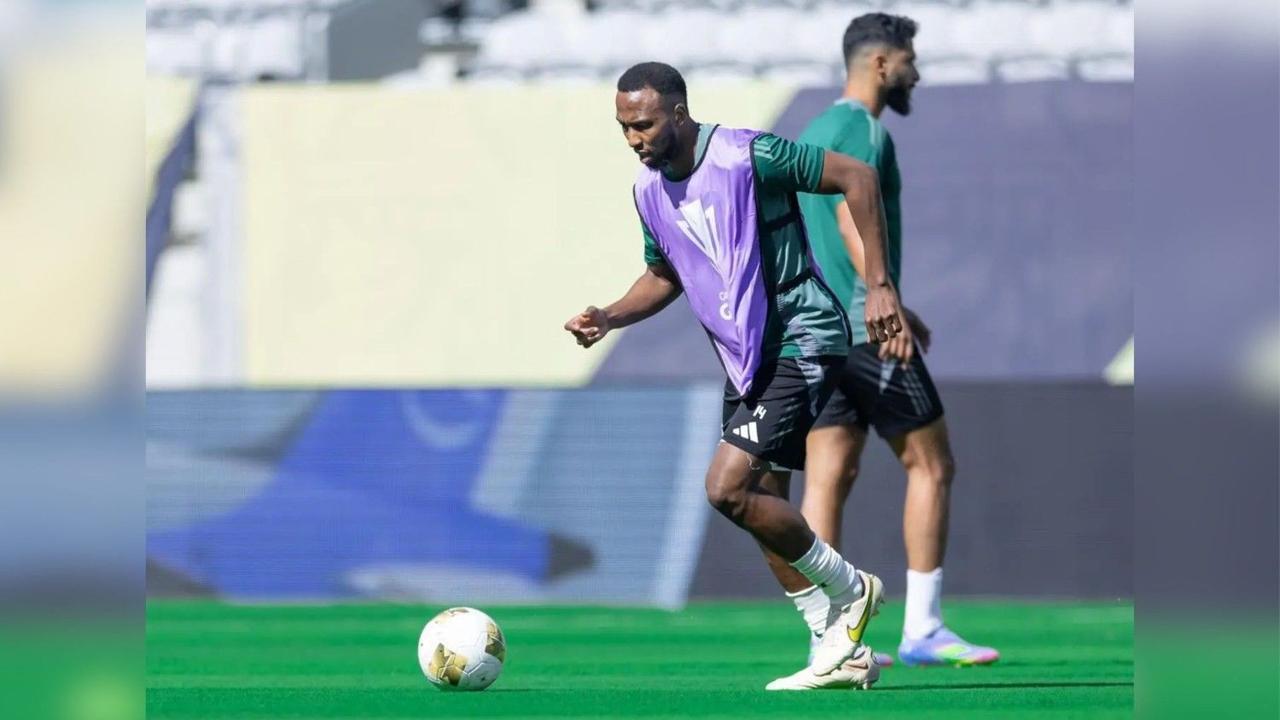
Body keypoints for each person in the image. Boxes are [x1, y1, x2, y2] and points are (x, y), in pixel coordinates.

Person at [564, 61, 902, 690]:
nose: (633, 139)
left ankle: (853, 590)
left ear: (678, 114)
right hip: (745, 355)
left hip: (802, 338)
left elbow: (857, 176)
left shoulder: (750, 154)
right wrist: (608, 315)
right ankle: (839, 649)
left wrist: (879, 285)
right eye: (623, 128)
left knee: (726, 490)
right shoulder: (647, 191)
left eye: (642, 124)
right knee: (759, 505)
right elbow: (665, 273)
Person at [791, 13, 999, 667]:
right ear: (881, 64)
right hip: (865, 327)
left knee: (828, 477)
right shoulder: (862, 129)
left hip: (818, 332)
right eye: (910, 59)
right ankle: (924, 629)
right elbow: (848, 214)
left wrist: (895, 298)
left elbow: (818, 225)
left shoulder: (815, 130)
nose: (917, 72)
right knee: (932, 464)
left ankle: (831, 640)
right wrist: (884, 298)